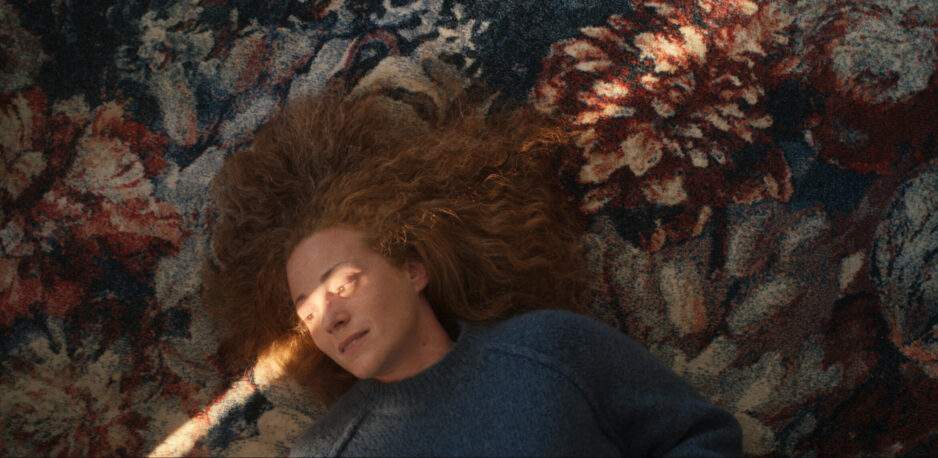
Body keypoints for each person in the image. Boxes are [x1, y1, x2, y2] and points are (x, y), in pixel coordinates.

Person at [203, 60, 742, 456]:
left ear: (414, 268)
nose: (330, 318)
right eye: (308, 313)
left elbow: (701, 436)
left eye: (342, 284)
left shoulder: (552, 346)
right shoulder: (324, 452)